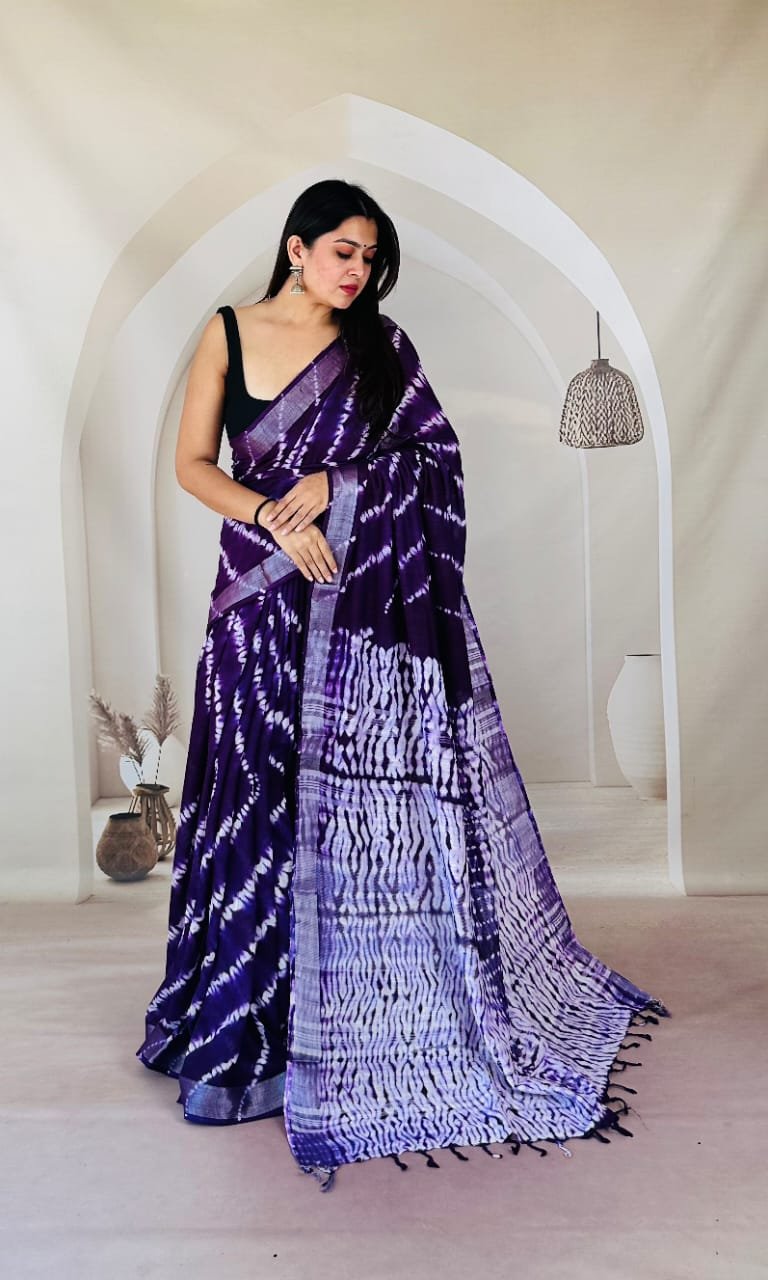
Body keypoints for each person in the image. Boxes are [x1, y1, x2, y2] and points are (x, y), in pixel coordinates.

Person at [136, 178, 669, 1192]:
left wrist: (338, 485)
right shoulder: (227, 332)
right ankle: (241, 1039)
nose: (358, 270)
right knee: (250, 809)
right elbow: (192, 464)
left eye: (371, 257)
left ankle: (358, 1024)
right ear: (296, 247)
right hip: (255, 603)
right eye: (342, 250)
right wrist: (273, 516)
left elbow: (437, 460)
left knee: (346, 817)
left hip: (361, 618)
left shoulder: (382, 349)